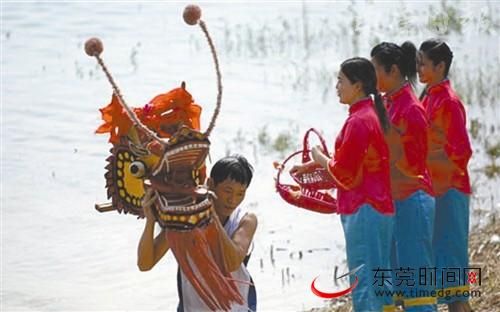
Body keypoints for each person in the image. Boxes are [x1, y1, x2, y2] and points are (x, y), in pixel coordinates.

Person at [292, 57, 395, 312]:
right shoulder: (369, 115)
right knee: (379, 280)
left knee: (364, 282)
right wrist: (314, 167)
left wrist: (319, 157)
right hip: (378, 207)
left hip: (364, 210)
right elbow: (353, 167)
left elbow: (345, 175)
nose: (337, 86)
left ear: (357, 85)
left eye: (340, 81)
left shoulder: (359, 121)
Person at [137, 155, 258, 312]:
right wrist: (150, 221)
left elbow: (232, 262)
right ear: (210, 184)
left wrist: (211, 216)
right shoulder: (185, 219)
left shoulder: (246, 220)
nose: (233, 200)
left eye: (240, 193)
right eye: (228, 191)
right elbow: (145, 264)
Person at [371, 41, 436, 311]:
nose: (370, 77)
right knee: (395, 279)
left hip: (413, 200)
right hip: (393, 201)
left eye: (375, 70)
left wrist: (378, 166)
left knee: (418, 289)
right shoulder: (386, 102)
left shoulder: (411, 109)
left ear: (393, 70)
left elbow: (415, 165)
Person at [417, 39, 473, 312]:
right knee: (439, 264)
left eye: (423, 63)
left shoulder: (448, 102)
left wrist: (428, 158)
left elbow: (461, 152)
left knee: (453, 273)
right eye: (417, 62)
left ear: (440, 66)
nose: (418, 68)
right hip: (433, 190)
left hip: (450, 190)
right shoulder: (427, 94)